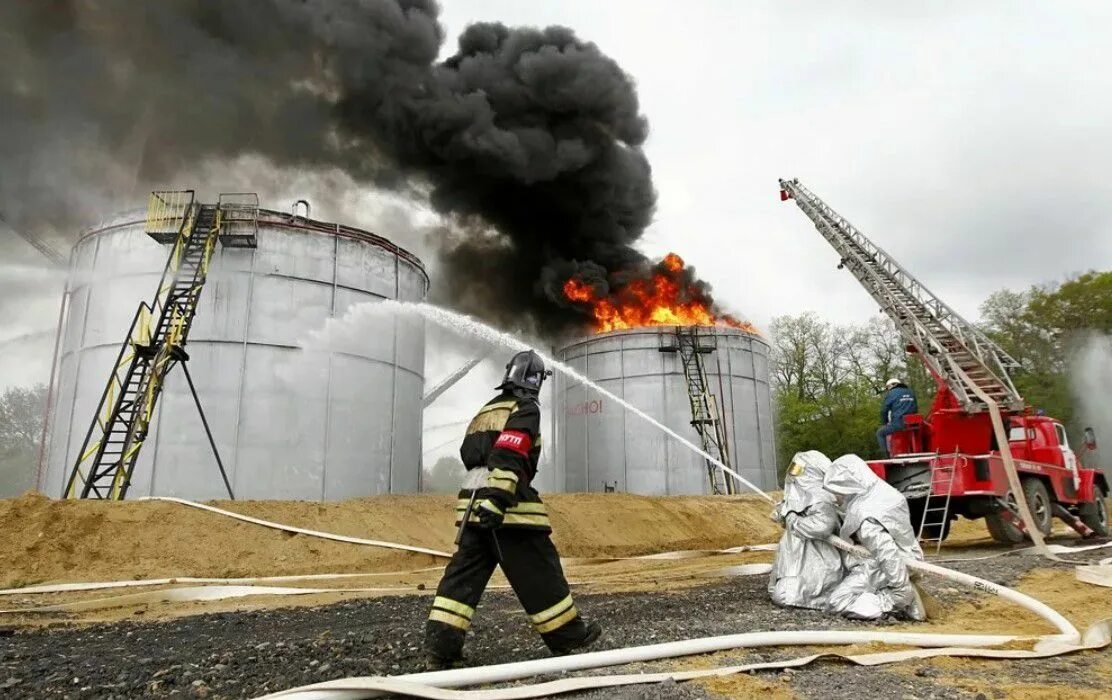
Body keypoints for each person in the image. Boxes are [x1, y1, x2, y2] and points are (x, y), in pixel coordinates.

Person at [424, 350, 601, 669]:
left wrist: (484, 500)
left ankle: (442, 646)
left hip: (472, 506)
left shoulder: (487, 409)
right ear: (535, 380)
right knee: (539, 569)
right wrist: (497, 499)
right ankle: (567, 636)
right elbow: (509, 452)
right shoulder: (525, 407)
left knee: (462, 577)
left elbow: (469, 453)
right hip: (509, 508)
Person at [823, 454, 927, 621]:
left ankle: (890, 602)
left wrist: (900, 591)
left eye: (837, 491)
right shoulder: (880, 491)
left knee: (837, 601)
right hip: (909, 556)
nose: (837, 497)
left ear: (846, 485)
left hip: (884, 566)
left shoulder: (864, 516)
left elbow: (887, 553)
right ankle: (901, 594)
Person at [769, 450, 845, 610]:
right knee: (782, 592)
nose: (794, 478)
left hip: (820, 560)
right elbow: (796, 519)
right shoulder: (800, 496)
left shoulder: (821, 499)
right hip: (796, 556)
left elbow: (821, 528)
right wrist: (783, 514)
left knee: (787, 595)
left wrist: (790, 516)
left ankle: (825, 596)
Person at [876, 378, 918, 457]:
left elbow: (884, 410)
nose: (888, 389)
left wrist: (885, 423)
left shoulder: (891, 393)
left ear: (891, 385)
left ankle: (886, 457)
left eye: (888, 387)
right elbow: (915, 408)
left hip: (899, 424)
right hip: (913, 424)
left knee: (880, 433)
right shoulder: (911, 392)